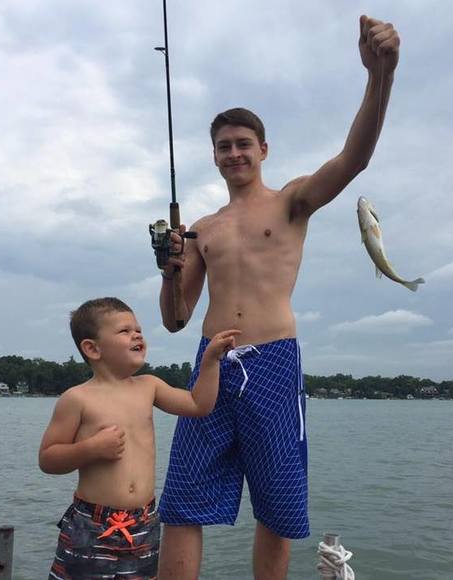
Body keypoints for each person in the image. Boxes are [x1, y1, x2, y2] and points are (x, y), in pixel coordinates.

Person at [155, 15, 400, 580]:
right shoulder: (202, 228)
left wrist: (379, 76)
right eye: (223, 147)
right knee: (183, 497)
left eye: (243, 144)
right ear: (213, 157)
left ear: (263, 149)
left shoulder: (293, 201)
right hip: (209, 362)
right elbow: (175, 318)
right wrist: (169, 272)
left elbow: (354, 158)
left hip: (272, 361)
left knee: (278, 505)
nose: (234, 153)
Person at [39, 297, 239, 579]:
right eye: (125, 331)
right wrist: (91, 448)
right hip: (93, 524)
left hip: (143, 523)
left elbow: (198, 405)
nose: (137, 335)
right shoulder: (77, 399)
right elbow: (48, 458)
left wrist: (210, 361)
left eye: (139, 330)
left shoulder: (149, 386)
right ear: (92, 348)